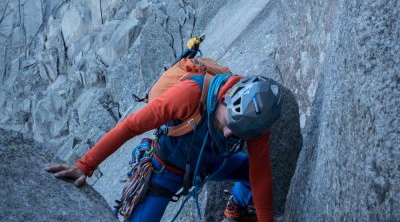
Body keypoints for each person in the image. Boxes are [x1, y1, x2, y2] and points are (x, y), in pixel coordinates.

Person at [45, 73, 282, 222]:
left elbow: (260, 177)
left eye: (236, 133)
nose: (229, 134)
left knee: (248, 170)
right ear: (228, 98)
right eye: (228, 124)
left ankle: (237, 208)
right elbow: (131, 126)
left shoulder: (256, 124)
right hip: (166, 172)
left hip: (209, 165)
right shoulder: (190, 95)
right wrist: (84, 166)